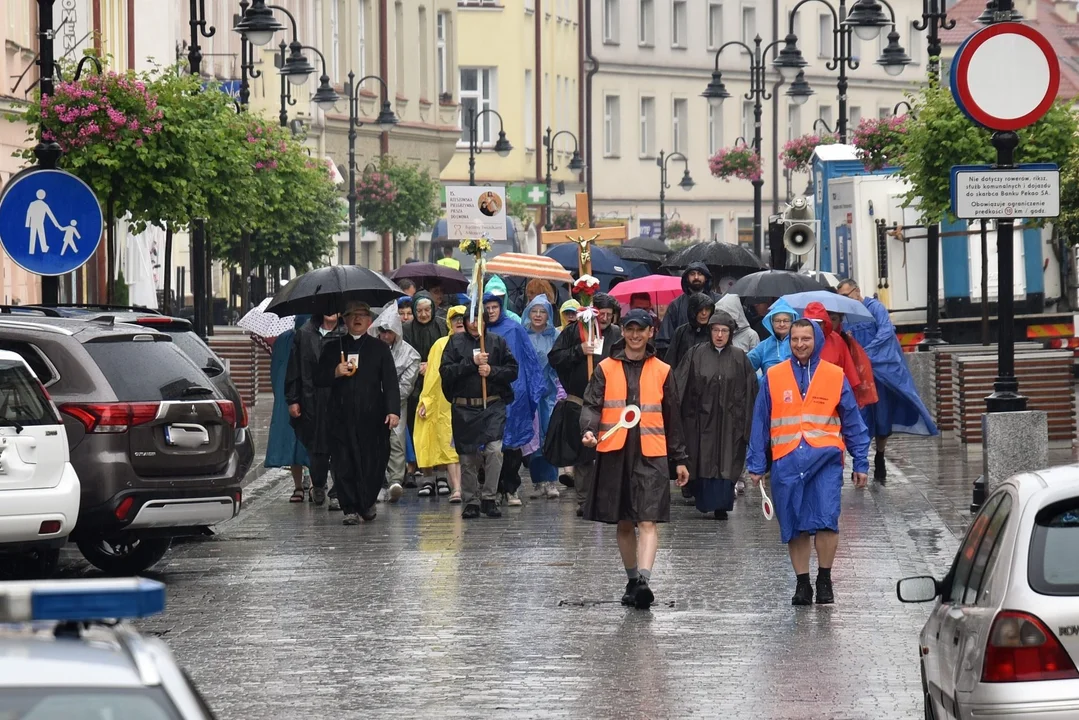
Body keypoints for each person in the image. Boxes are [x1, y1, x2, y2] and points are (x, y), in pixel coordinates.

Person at [746, 319, 870, 605]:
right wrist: (756, 463)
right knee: (794, 524)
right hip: (786, 461)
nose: (800, 344)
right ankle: (802, 583)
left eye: (806, 339)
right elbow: (760, 422)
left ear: (816, 340)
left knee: (827, 520)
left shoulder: (834, 375)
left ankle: (824, 579)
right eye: (795, 339)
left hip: (824, 460)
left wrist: (861, 462)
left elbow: (853, 421)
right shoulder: (773, 377)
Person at [580, 309, 689, 609]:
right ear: (623, 331)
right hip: (615, 451)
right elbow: (592, 404)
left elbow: (673, 418)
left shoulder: (663, 371)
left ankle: (643, 580)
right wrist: (589, 431)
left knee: (648, 519)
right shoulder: (604, 368)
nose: (635, 335)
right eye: (630, 329)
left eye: (641, 329)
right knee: (625, 522)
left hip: (651, 453)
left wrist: (679, 459)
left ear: (651, 332)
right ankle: (632, 579)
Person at [837, 279, 938, 483]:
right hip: (859, 378)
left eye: (845, 296)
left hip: (881, 375)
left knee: (883, 420)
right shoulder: (844, 316)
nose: (843, 301)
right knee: (860, 419)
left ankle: (880, 455)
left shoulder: (875, 308)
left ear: (857, 291)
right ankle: (860, 463)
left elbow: (886, 333)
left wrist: (865, 354)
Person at [317, 302, 400, 525]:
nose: (357, 319)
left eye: (362, 315)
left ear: (369, 320)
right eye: (352, 315)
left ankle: (367, 502)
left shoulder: (379, 348)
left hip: (372, 417)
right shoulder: (333, 348)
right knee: (343, 463)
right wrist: (335, 371)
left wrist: (393, 410)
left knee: (373, 461)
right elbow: (318, 378)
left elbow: (390, 382)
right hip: (340, 416)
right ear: (344, 319)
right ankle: (350, 508)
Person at [674, 311, 759, 520]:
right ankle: (703, 501)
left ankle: (722, 504)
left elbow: (751, 390)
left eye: (724, 331)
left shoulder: (739, 358)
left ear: (730, 333)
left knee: (727, 460)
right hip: (700, 420)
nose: (719, 335)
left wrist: (747, 421)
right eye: (715, 330)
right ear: (709, 331)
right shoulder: (695, 354)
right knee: (702, 458)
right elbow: (680, 385)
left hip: (731, 421)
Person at [440, 303, 519, 519]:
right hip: (464, 407)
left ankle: (489, 497)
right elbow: (446, 372)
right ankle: (471, 500)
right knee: (467, 457)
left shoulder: (497, 342)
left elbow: (513, 371)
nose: (475, 324)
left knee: (494, 450)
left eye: (479, 319)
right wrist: (471, 363)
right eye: (471, 319)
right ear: (465, 322)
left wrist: (492, 371)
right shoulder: (454, 343)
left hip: (492, 405)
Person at [548, 292, 622, 516]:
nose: (606, 318)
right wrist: (579, 351)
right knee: (583, 455)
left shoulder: (618, 334)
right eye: (602, 314)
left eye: (610, 315)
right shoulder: (573, 331)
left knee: (610, 453)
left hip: (610, 401)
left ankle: (608, 498)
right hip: (579, 400)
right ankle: (584, 499)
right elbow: (555, 358)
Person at [484, 291, 544, 506]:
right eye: (487, 307)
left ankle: (511, 487)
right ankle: (494, 487)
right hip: (490, 393)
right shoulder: (480, 331)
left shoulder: (514, 328)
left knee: (513, 443)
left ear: (501, 307)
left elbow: (528, 358)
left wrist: (531, 389)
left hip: (514, 392)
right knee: (492, 444)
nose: (490, 311)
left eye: (494, 307)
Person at [286, 312, 342, 507]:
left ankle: (338, 491)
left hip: (339, 398)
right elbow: (294, 368)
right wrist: (293, 399)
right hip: (312, 398)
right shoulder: (304, 334)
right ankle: (318, 484)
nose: (330, 311)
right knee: (316, 447)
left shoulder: (346, 333)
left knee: (340, 446)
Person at [414, 305, 467, 503]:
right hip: (447, 404)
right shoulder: (440, 345)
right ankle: (457, 489)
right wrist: (425, 400)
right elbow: (432, 378)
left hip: (474, 403)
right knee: (449, 445)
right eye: (455, 318)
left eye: (463, 317)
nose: (459, 321)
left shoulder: (478, 341)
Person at [370, 304, 420, 503]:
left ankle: (395, 480)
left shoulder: (410, 355)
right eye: (381, 331)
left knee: (396, 441)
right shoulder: (370, 349)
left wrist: (387, 399)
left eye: (388, 332)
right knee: (371, 442)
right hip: (371, 404)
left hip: (396, 404)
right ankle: (376, 480)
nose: (384, 336)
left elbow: (406, 385)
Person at [403, 290, 447, 491]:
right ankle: (425, 471)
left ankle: (442, 472)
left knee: (440, 427)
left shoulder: (441, 325)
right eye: (419, 310)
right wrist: (417, 366)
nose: (423, 314)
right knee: (419, 429)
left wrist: (432, 365)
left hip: (438, 383)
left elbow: (448, 351)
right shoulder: (406, 329)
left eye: (427, 309)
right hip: (415, 385)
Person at [267, 316, 312, 503]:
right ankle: (308, 484)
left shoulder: (284, 339)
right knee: (305, 441)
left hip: (290, 395)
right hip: (296, 394)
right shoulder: (300, 337)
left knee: (297, 441)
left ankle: (300, 486)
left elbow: (275, 371)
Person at [523, 294, 562, 499]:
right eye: (534, 311)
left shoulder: (554, 335)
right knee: (533, 438)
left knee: (550, 434)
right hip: (530, 394)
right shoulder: (523, 334)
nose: (538, 315)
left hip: (549, 392)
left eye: (542, 312)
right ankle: (538, 481)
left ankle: (551, 479)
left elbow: (559, 359)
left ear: (548, 315)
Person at [656, 262, 717, 354]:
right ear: (687, 278)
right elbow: (664, 340)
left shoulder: (718, 301)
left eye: (700, 274)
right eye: (692, 274)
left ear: (706, 277)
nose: (696, 277)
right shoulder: (676, 305)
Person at [801, 302, 861, 394]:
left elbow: (849, 374)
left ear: (825, 323)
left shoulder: (837, 341)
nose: (815, 326)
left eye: (818, 323)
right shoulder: (796, 338)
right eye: (811, 323)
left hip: (833, 393)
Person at [664, 292, 715, 370]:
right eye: (700, 309)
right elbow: (671, 360)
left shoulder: (714, 332)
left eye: (707, 309)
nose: (704, 313)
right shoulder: (681, 332)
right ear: (693, 311)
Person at [747, 299, 798, 373]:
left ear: (792, 322)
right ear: (771, 323)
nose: (782, 324)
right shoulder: (764, 346)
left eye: (786, 321)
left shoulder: (799, 343)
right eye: (777, 321)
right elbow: (745, 367)